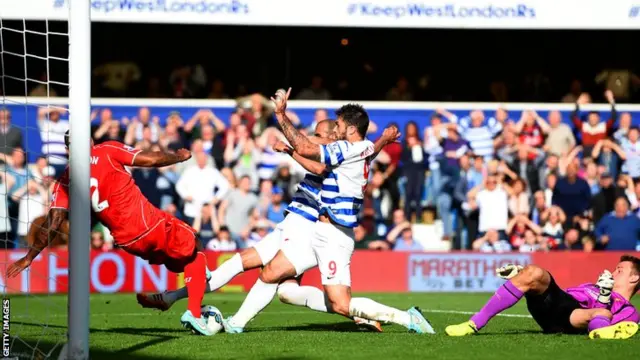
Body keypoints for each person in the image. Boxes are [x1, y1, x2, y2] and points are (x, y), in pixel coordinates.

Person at [221, 88, 434, 335]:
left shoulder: (345, 150)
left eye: (339, 126)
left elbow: (306, 147)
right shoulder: (362, 147)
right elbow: (368, 151)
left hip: (335, 236)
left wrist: (280, 115)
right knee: (272, 274)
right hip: (320, 231)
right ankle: (236, 323)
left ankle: (406, 317)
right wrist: (383, 140)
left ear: (351, 130)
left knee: (341, 304)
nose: (335, 130)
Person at [137, 119, 384, 331]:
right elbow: (363, 155)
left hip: (305, 229)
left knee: (262, 274)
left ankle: (221, 317)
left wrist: (289, 146)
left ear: (333, 136)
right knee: (285, 291)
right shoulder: (342, 154)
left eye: (318, 134)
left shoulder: (333, 158)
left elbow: (320, 165)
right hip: (292, 223)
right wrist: (382, 139)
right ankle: (172, 298)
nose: (312, 138)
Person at [6, 132, 213, 336]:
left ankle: (171, 298)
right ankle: (194, 313)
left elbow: (53, 223)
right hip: (148, 224)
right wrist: (179, 157)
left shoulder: (65, 180)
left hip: (127, 242)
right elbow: (151, 159)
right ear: (90, 140)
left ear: (68, 151)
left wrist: (29, 256)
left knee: (187, 263)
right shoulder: (106, 150)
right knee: (195, 244)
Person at [445, 255, 640, 340]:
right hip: (559, 304)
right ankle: (473, 324)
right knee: (534, 272)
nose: (614, 272)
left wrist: (604, 297)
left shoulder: (629, 311)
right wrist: (522, 275)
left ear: (635, 277)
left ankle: (600, 336)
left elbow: (604, 317)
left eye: (620, 270)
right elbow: (565, 296)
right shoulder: (593, 286)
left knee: (600, 312)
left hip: (574, 320)